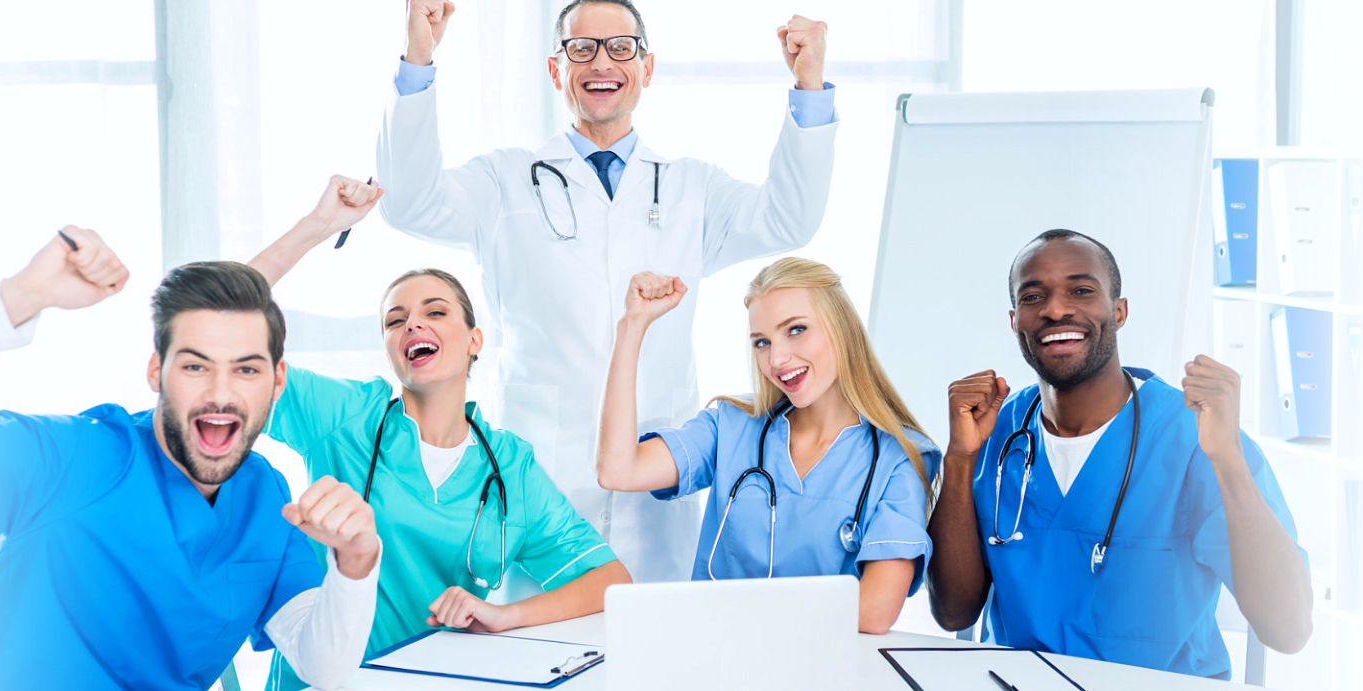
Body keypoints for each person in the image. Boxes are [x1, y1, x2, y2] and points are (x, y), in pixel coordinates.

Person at [378, 0, 840, 582]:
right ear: (555, 70)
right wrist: (419, 59)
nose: (603, 62)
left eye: (621, 47)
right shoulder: (504, 181)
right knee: (538, 654)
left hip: (653, 490)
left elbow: (789, 217)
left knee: (652, 660)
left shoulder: (691, 188)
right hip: (541, 487)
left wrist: (809, 86)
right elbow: (409, 202)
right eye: (582, 48)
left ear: (647, 68)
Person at [0, 221, 379, 689]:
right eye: (195, 366)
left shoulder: (269, 498)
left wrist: (354, 563)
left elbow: (321, 664)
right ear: (156, 372)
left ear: (277, 380)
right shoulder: (83, 458)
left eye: (246, 368)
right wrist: (20, 298)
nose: (221, 391)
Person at [247, 176, 632, 690]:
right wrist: (318, 227)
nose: (412, 326)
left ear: (475, 340)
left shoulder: (509, 468)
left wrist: (504, 615)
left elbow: (608, 581)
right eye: (395, 320)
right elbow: (218, 323)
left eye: (435, 312)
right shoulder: (346, 416)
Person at [926, 229, 1313, 678]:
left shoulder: (1194, 435)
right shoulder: (995, 431)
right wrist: (958, 459)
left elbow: (1289, 630)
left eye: (1081, 290)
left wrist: (1227, 459)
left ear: (1119, 310)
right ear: (1015, 321)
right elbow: (954, 614)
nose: (1055, 309)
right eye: (1034, 297)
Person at [593, 259, 938, 634]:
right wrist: (631, 330)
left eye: (796, 330)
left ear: (842, 330)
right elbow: (617, 469)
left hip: (816, 672)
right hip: (712, 660)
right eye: (762, 342)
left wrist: (739, 613)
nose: (776, 359)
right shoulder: (731, 425)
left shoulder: (899, 458)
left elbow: (873, 612)